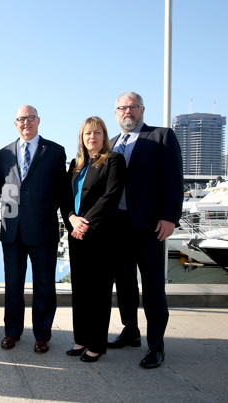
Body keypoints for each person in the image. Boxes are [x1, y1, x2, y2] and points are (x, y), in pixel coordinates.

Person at [107, 92, 183, 369]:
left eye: (133, 107)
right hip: (117, 226)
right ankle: (130, 332)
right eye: (122, 108)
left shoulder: (161, 136)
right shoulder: (112, 144)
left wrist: (170, 217)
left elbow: (174, 179)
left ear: (142, 109)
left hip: (150, 226)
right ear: (115, 113)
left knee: (153, 286)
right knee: (124, 283)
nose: (128, 112)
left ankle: (156, 346)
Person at [0, 105, 66, 352]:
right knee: (12, 286)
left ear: (38, 120)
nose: (25, 122)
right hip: (12, 231)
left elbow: (62, 191)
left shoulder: (55, 151)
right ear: (15, 123)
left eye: (30, 118)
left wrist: (44, 211)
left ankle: (42, 335)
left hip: (43, 231)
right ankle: (12, 332)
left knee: (45, 286)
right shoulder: (3, 153)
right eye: (20, 119)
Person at [61, 117, 126, 362]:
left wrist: (84, 223)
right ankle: (81, 339)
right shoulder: (76, 165)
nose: (92, 137)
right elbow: (65, 197)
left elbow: (110, 197)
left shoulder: (114, 160)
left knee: (98, 292)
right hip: (76, 234)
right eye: (88, 133)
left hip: (101, 235)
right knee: (80, 290)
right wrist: (71, 218)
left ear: (104, 136)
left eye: (97, 132)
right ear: (82, 138)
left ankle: (97, 344)